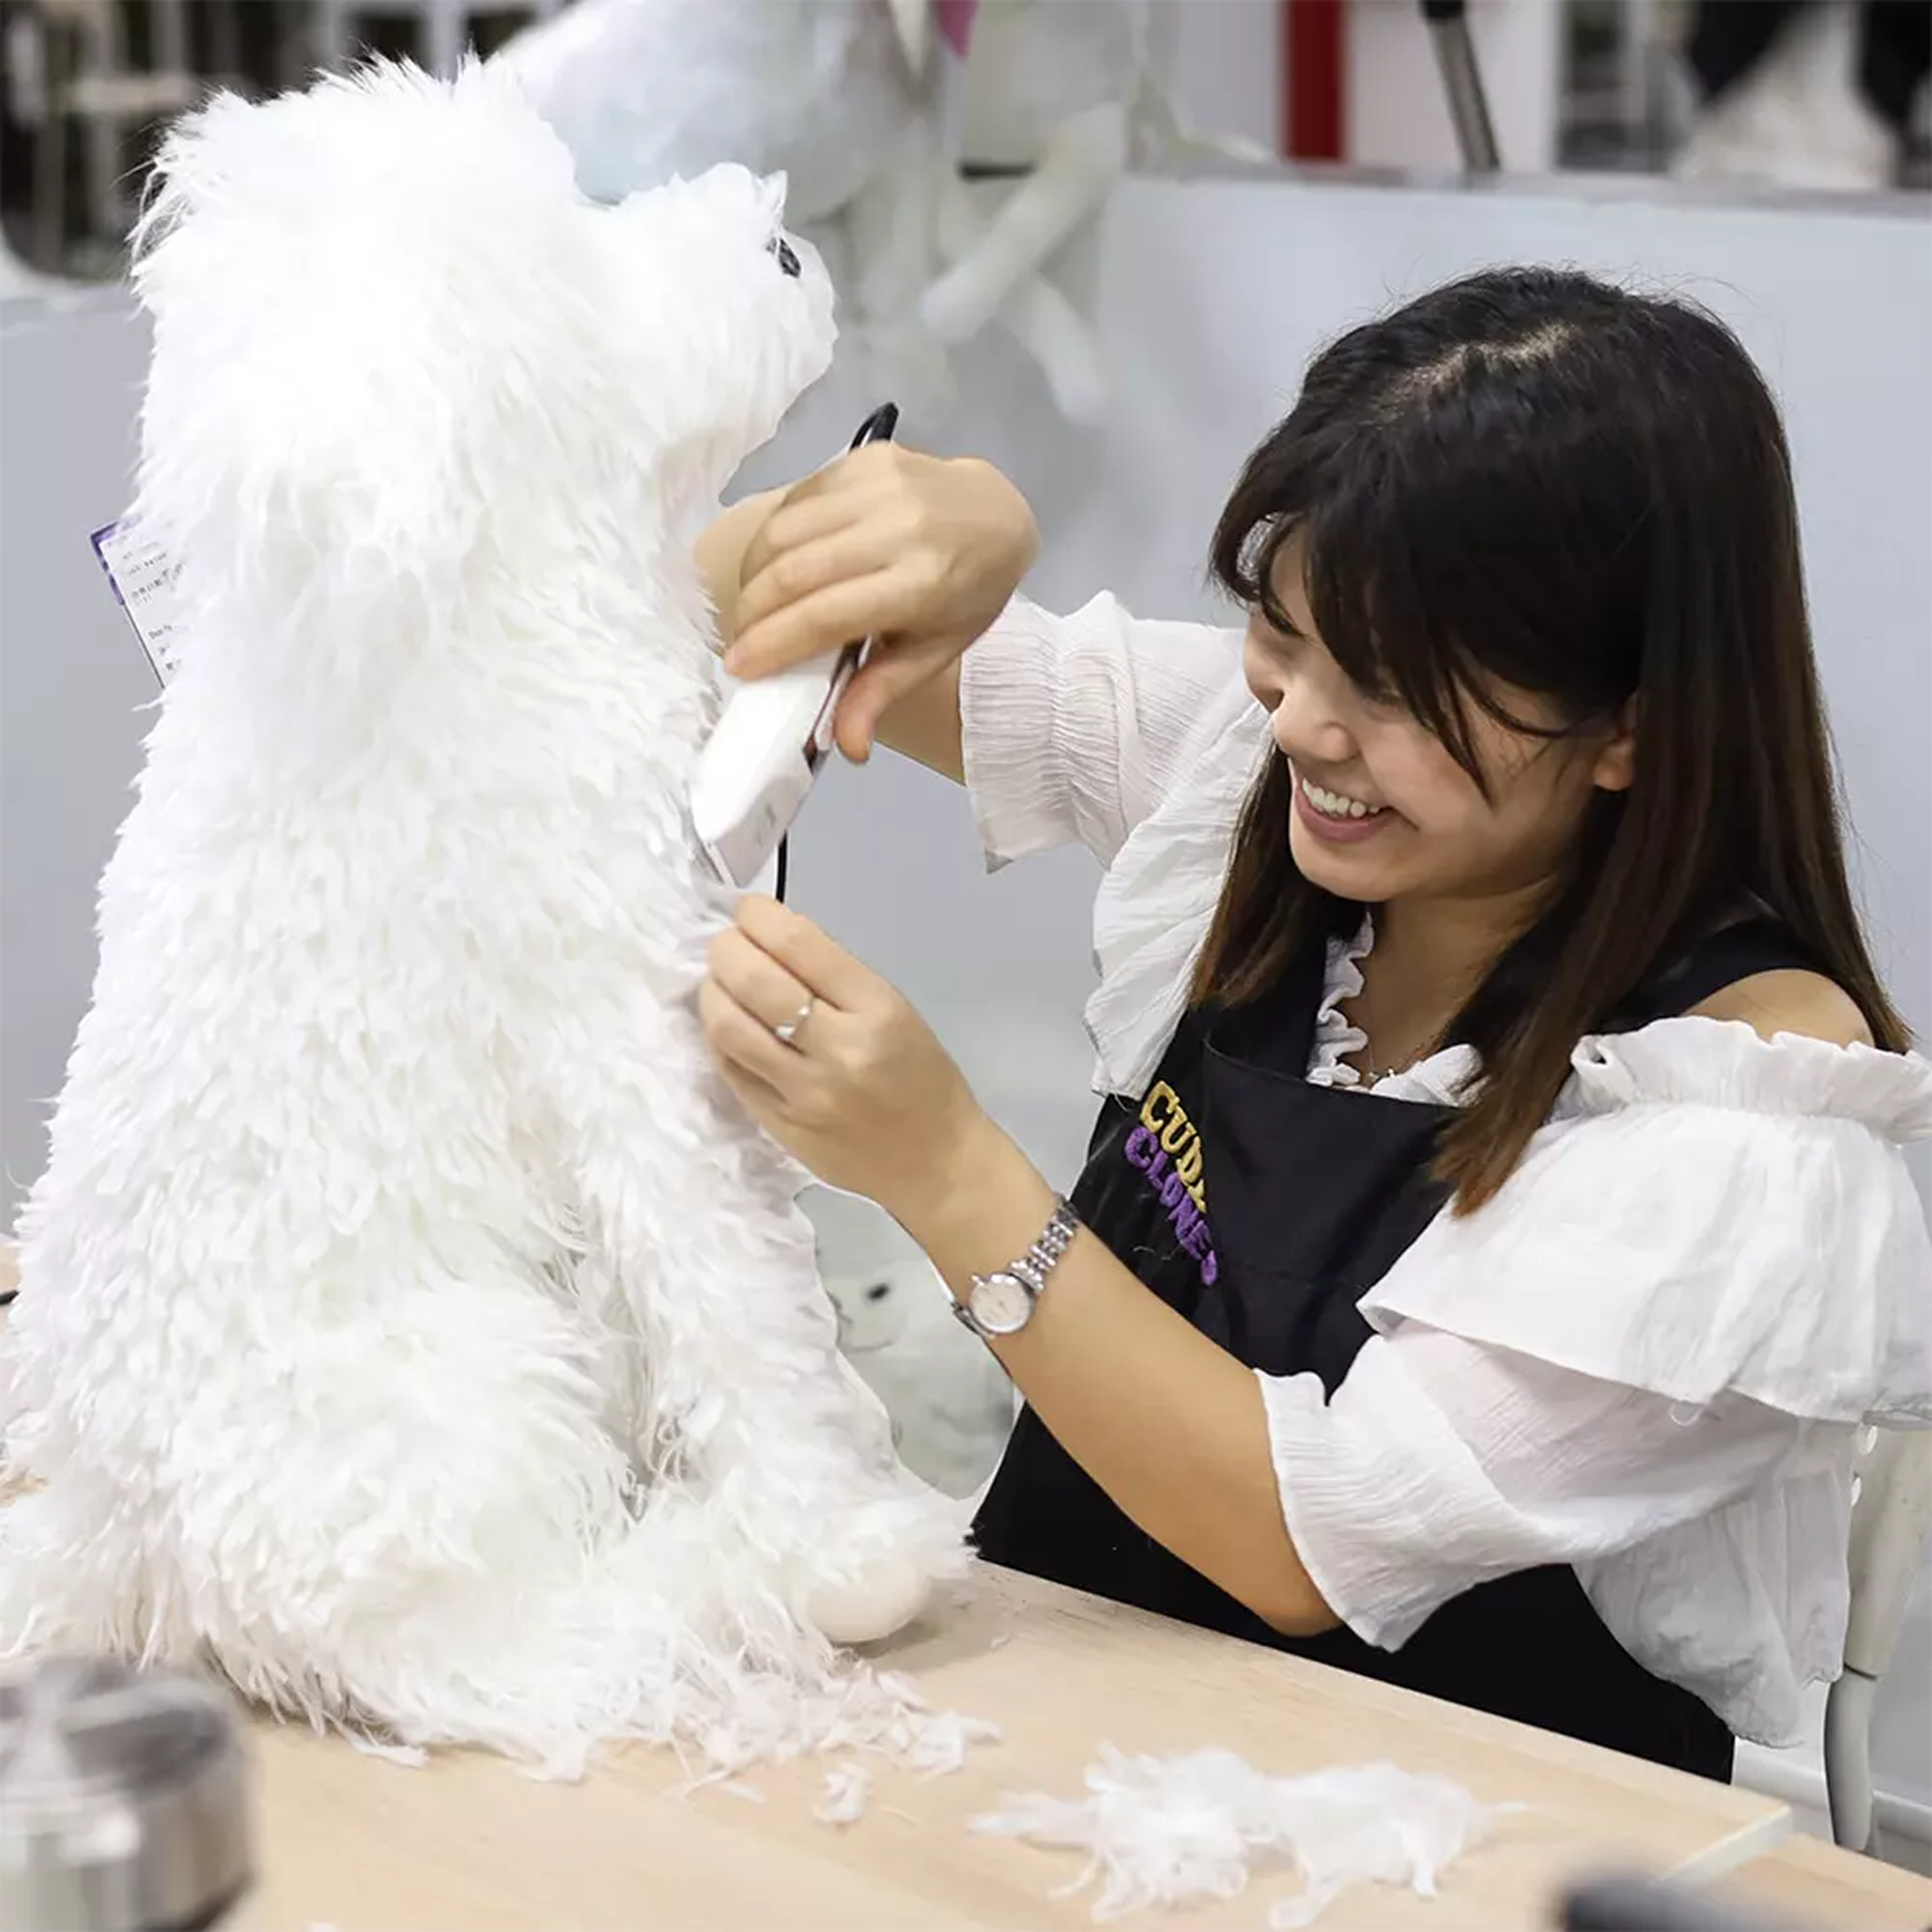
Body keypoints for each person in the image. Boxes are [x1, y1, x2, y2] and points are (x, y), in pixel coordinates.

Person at [694, 266, 1932, 1781]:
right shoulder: (1258, 769)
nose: (1301, 726)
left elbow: (1304, 1539)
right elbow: (710, 609)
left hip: (1454, 1836)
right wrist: (923, 524)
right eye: (1285, 633)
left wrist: (943, 1170)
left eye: (1396, 688)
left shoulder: (1739, 1126)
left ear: (1630, 729)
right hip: (1065, 1746)